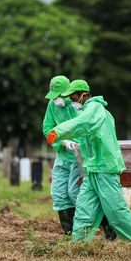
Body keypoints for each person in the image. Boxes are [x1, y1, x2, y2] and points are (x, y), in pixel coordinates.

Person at [47, 80, 131, 242]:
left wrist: (58, 132)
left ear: (83, 95)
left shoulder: (95, 109)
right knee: (84, 211)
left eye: (73, 97)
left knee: (116, 211)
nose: (72, 101)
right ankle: (79, 244)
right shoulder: (86, 111)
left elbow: (82, 124)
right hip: (92, 169)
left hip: (105, 168)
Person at [42, 75, 81, 235]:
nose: (56, 99)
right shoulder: (52, 105)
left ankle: (101, 224)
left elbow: (84, 127)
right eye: (54, 96)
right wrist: (61, 142)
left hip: (78, 157)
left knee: (74, 193)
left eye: (59, 95)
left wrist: (75, 143)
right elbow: (47, 128)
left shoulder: (78, 106)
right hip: (62, 156)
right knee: (58, 194)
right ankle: (69, 233)